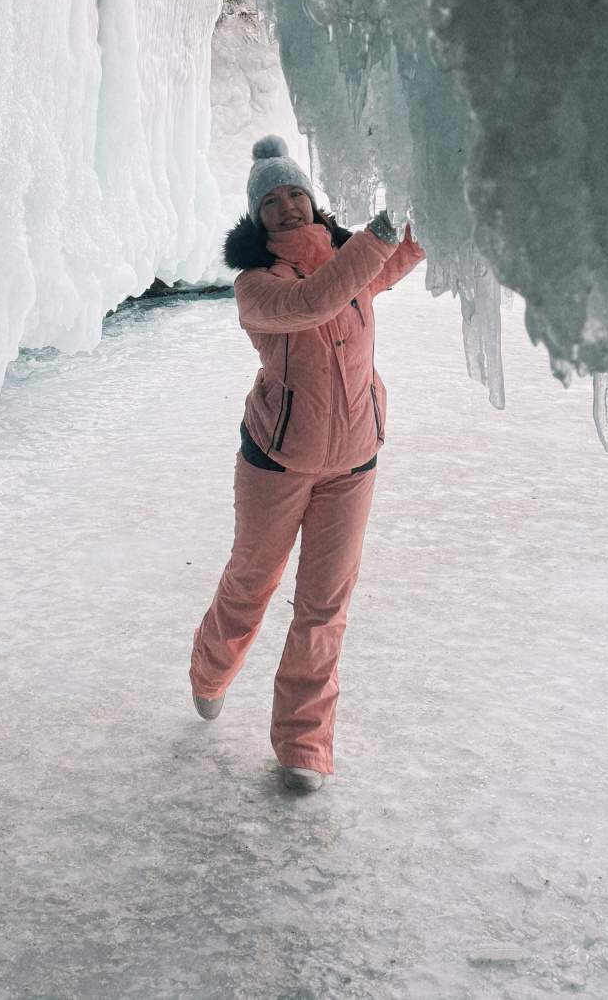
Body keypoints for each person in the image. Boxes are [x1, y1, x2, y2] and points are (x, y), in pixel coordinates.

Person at [190, 135, 426, 791]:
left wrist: (435, 193)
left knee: (323, 608)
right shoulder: (257, 287)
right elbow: (314, 300)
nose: (289, 208)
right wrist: (372, 237)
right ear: (256, 218)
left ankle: (302, 745)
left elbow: (400, 252)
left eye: (296, 194)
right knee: (250, 585)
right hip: (276, 462)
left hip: (353, 463)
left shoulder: (350, 262)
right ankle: (209, 670)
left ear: (313, 199)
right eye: (273, 201)